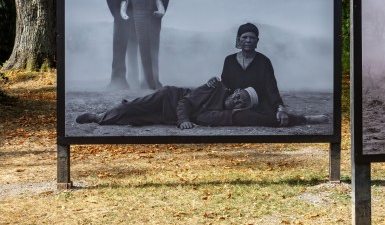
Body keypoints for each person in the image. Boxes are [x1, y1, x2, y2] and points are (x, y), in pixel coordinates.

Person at [75, 78, 328, 129]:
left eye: (242, 102)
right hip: (169, 99)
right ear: (235, 90)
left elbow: (258, 118)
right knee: (127, 109)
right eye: (239, 95)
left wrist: (302, 118)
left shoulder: (227, 115)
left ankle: (106, 116)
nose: (238, 100)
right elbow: (185, 101)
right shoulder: (215, 86)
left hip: (165, 118)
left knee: (131, 120)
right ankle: (98, 116)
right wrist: (184, 119)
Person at [221, 23, 290, 125]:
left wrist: (280, 108)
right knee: (235, 116)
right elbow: (224, 85)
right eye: (244, 37)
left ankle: (301, 119)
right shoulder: (229, 60)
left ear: (257, 41)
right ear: (239, 39)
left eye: (252, 38)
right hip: (237, 104)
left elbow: (271, 88)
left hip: (259, 104)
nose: (248, 40)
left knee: (270, 116)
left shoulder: (264, 61)